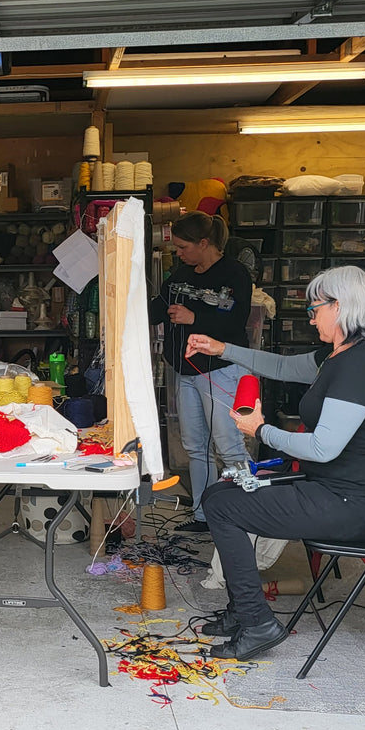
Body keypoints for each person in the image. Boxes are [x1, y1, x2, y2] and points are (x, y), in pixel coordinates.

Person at [186, 266, 365, 660]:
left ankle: (256, 621)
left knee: (224, 506)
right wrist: (222, 349)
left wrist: (260, 430)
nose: (311, 316)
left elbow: (322, 448)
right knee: (219, 495)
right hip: (333, 490)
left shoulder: (358, 367)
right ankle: (243, 611)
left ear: (341, 307)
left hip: (351, 504)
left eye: (315, 308)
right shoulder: (337, 356)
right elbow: (282, 367)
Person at [150, 211, 253, 532]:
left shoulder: (234, 274)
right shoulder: (182, 274)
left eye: (182, 247)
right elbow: (158, 308)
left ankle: (251, 515)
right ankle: (203, 516)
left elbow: (236, 322)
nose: (178, 253)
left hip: (220, 369)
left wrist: (194, 318)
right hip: (185, 370)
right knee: (195, 446)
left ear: (204, 243)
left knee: (229, 445)